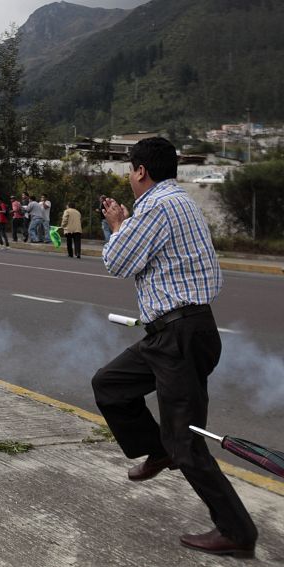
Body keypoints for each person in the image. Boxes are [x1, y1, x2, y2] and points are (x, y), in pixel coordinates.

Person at [91, 137, 257, 558]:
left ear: (141, 171)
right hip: (174, 333)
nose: (129, 178)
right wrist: (127, 225)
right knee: (110, 383)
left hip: (179, 335)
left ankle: (237, 532)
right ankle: (160, 449)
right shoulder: (178, 200)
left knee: (187, 440)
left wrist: (116, 225)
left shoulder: (156, 206)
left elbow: (119, 262)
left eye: (130, 170)